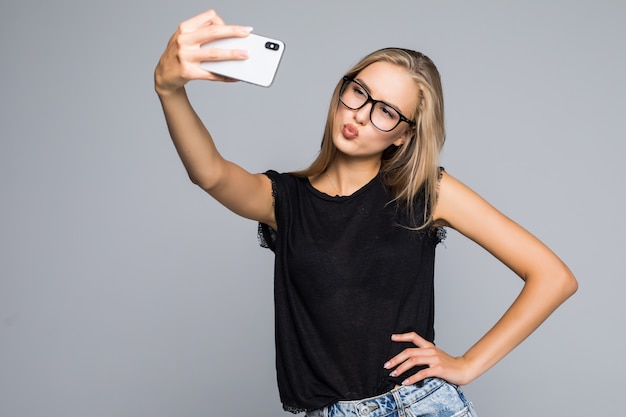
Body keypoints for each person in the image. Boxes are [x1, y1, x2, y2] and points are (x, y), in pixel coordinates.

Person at [154, 9, 577, 417]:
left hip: (416, 407)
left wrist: (467, 364)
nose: (360, 113)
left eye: (386, 112)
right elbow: (209, 174)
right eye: (359, 91)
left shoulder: (425, 192)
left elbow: (554, 278)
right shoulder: (286, 201)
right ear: (343, 88)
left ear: (403, 135)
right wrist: (169, 89)